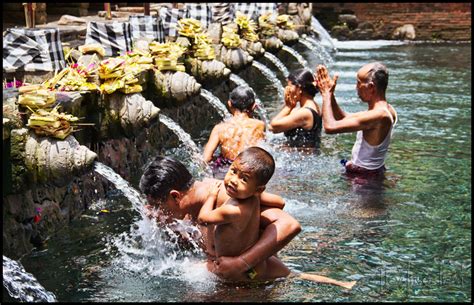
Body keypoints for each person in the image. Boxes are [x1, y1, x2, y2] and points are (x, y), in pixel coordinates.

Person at [139, 154, 356, 288]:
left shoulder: (229, 198)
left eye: (157, 205)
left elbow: (289, 224)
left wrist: (242, 263)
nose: (155, 211)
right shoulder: (197, 202)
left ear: (175, 197)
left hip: (257, 279)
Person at [315, 62, 398, 176]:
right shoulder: (385, 109)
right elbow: (342, 117)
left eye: (359, 83)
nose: (356, 87)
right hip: (369, 174)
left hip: (364, 180)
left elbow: (330, 127)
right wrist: (331, 94)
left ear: (371, 87)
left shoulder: (379, 115)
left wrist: (326, 95)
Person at [203, 85, 265, 171]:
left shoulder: (219, 128)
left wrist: (220, 160)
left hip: (227, 170)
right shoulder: (259, 125)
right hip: (250, 169)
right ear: (254, 106)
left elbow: (206, 159)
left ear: (229, 104)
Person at [269, 68, 322, 148]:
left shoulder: (304, 113)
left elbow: (273, 127)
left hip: (300, 159)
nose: (288, 90)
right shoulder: (315, 106)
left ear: (299, 88)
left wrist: (288, 107)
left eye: (289, 86)